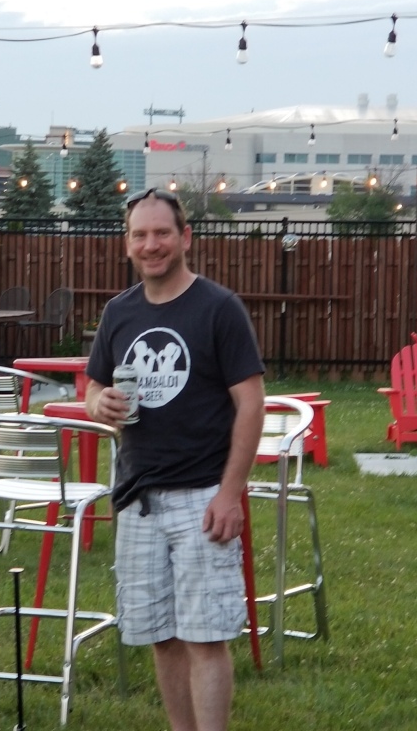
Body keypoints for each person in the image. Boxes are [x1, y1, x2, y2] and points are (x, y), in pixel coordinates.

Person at [84, 187, 265, 731]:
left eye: (162, 233)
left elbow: (251, 403)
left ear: (185, 237)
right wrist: (100, 404)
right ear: (127, 244)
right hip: (138, 499)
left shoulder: (218, 308)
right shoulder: (119, 313)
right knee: (160, 637)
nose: (151, 244)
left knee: (205, 638)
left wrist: (230, 494)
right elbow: (92, 387)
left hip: (202, 498)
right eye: (140, 235)